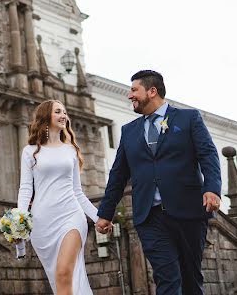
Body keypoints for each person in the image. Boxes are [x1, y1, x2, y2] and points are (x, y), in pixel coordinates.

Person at [96, 70, 221, 295]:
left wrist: (212, 189)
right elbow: (118, 175)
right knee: (166, 278)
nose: (129, 95)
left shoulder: (189, 118)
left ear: (152, 91)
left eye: (134, 90)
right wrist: (105, 213)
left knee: (191, 279)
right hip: (149, 217)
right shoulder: (129, 131)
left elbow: (208, 155)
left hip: (188, 212)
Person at [17, 99, 98, 295]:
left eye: (64, 112)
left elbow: (78, 191)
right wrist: (18, 223)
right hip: (42, 223)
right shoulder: (29, 152)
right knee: (58, 281)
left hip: (71, 217)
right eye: (58, 111)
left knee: (63, 274)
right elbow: (26, 189)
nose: (64, 115)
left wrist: (98, 217)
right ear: (46, 116)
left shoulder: (70, 151)